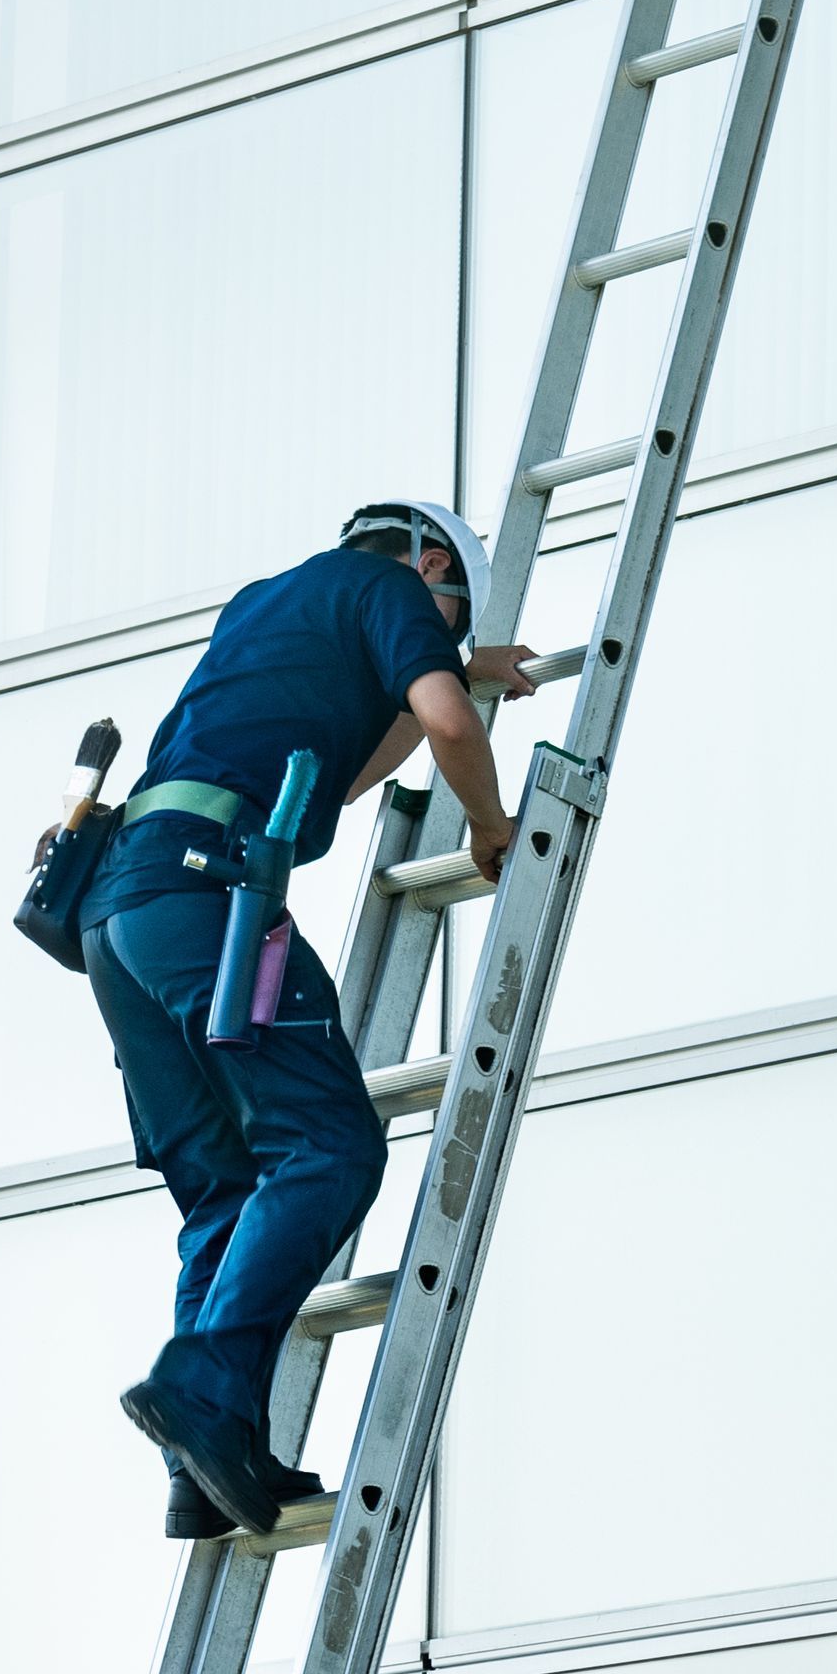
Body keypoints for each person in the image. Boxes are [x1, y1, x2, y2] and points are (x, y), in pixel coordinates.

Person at [88, 495, 526, 1536]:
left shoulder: (267, 603)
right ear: (428, 562)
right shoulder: (390, 587)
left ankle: (206, 1467)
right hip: (207, 897)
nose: (441, 635)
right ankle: (199, 1386)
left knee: (224, 1186)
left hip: (121, 914)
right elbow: (447, 725)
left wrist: (452, 673)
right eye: (448, 617)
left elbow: (355, 760)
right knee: (327, 1146)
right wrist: (493, 823)